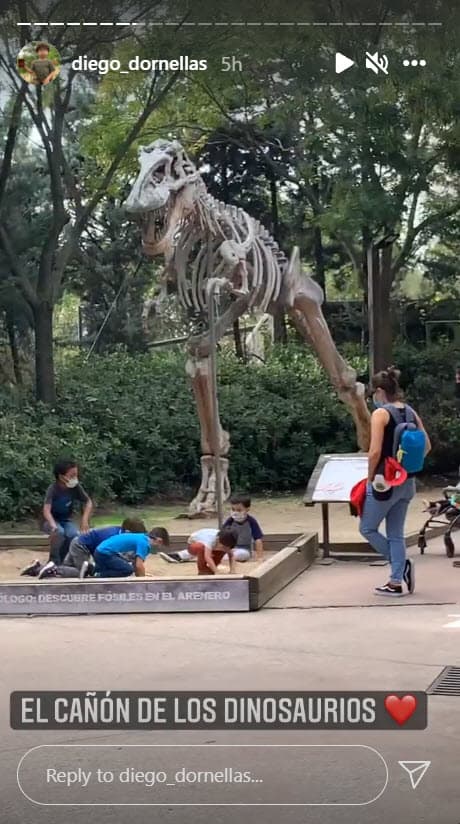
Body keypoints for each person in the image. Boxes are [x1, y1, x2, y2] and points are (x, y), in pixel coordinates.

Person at [360, 367, 431, 597]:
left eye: (373, 393)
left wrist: (371, 478)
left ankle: (399, 568)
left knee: (367, 528)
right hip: (407, 482)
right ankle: (395, 582)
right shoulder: (410, 412)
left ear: (380, 391)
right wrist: (405, 466)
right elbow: (427, 446)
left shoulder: (380, 414)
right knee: (396, 533)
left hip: (384, 482)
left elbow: (374, 452)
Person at [21, 518, 147, 580]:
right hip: (81, 546)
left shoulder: (117, 531)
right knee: (82, 573)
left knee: (69, 570)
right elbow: (102, 553)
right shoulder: (115, 536)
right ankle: (51, 569)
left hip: (78, 542)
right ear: (128, 532)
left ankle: (37, 568)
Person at [42, 459, 93, 564]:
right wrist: (53, 525)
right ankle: (53, 561)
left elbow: (88, 502)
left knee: (73, 534)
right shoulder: (53, 489)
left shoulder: (75, 487)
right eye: (72, 475)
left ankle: (65, 560)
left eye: (76, 475)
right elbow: (46, 510)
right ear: (61, 477)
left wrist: (84, 520)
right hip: (51, 520)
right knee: (59, 533)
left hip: (66, 520)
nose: (75, 478)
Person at [94, 527, 170, 578]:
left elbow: (136, 563)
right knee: (127, 570)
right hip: (104, 553)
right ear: (159, 540)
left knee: (126, 565)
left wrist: (140, 576)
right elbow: (139, 565)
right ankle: (99, 575)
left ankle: (93, 569)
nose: (157, 548)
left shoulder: (142, 537)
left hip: (102, 551)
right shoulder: (144, 543)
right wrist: (144, 582)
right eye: (160, 545)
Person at [222, 494, 264, 561]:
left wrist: (260, 557)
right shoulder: (230, 520)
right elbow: (222, 535)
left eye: (239, 510)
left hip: (244, 550)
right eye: (233, 509)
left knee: (236, 556)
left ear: (247, 509)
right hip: (230, 548)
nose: (235, 513)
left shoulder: (251, 521)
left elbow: (258, 539)